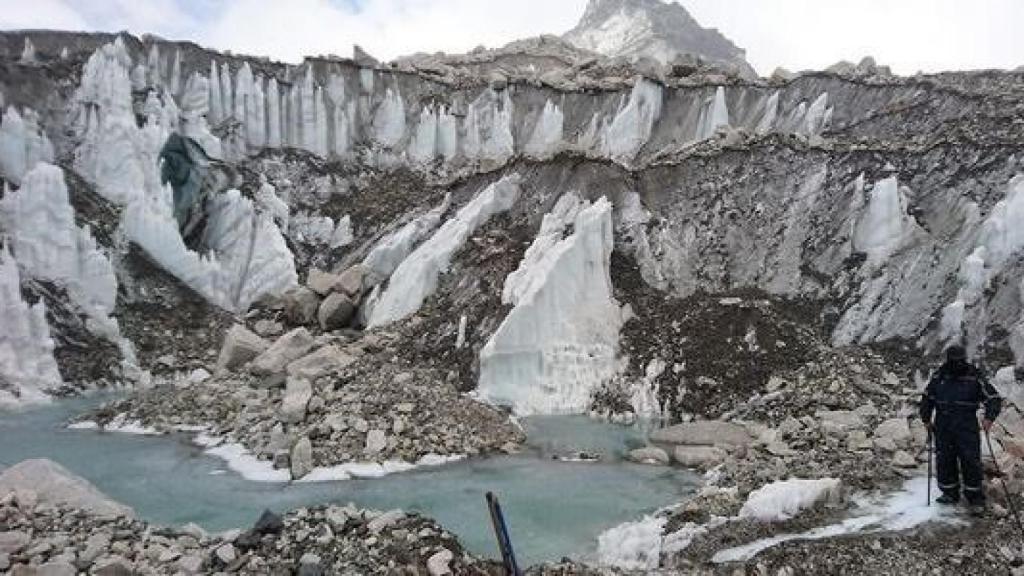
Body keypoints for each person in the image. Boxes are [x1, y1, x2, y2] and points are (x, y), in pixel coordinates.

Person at [920, 344, 1002, 515]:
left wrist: (989, 418)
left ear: (964, 359)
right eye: (953, 361)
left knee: (970, 461)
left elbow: (993, 398)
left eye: (959, 360)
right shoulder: (939, 376)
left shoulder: (974, 376)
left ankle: (975, 498)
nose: (956, 364)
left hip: (966, 427)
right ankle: (949, 492)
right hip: (943, 426)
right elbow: (927, 398)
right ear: (948, 360)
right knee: (945, 460)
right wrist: (926, 418)